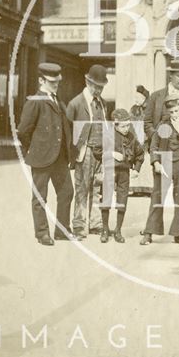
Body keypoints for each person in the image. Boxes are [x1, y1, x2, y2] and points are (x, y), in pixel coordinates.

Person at [143, 58, 179, 237]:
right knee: (158, 192)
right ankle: (152, 229)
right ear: (171, 75)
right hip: (162, 152)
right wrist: (158, 136)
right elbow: (146, 122)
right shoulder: (156, 96)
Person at [17, 63, 74, 246]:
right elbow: (23, 131)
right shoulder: (35, 101)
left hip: (60, 158)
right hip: (42, 158)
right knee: (40, 196)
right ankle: (42, 233)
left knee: (66, 192)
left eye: (57, 81)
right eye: (51, 81)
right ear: (41, 80)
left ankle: (62, 230)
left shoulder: (57, 99)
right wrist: (33, 149)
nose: (56, 84)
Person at [140, 95, 179, 246]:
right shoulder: (163, 125)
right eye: (171, 112)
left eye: (177, 110)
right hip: (164, 162)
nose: (175, 114)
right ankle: (149, 233)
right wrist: (155, 162)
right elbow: (153, 146)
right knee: (157, 197)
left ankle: (178, 234)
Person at [66, 65, 108, 240]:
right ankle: (79, 226)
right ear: (87, 82)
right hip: (85, 151)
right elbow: (68, 130)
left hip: (100, 151)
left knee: (98, 188)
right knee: (82, 189)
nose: (98, 89)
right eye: (95, 86)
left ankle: (96, 224)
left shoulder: (103, 103)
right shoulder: (76, 103)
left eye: (101, 87)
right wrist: (71, 156)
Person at [98, 108, 145, 244]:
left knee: (122, 201)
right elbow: (97, 150)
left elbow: (140, 154)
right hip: (109, 170)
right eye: (123, 126)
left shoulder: (131, 136)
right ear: (115, 124)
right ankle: (105, 230)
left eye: (128, 125)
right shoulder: (107, 134)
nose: (126, 128)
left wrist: (136, 169)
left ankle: (118, 230)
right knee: (106, 200)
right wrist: (111, 154)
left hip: (124, 172)